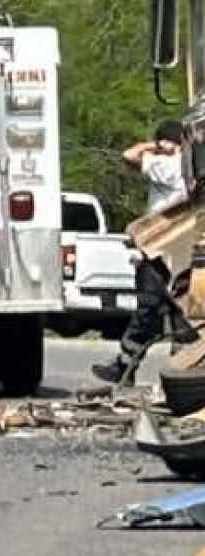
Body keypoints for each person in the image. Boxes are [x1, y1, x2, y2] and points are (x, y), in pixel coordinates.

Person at [92, 120, 193, 386]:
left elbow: (129, 156)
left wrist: (156, 146)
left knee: (150, 309)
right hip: (186, 251)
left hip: (159, 250)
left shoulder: (169, 166)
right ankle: (181, 370)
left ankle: (127, 365)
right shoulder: (192, 167)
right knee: (181, 311)